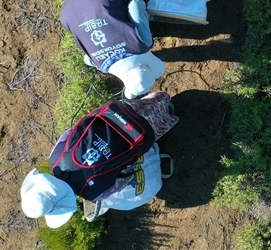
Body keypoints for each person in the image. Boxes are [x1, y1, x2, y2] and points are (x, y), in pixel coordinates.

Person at [21, 93, 178, 226]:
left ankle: (168, 115)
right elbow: (70, 132)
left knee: (156, 124)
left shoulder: (93, 193)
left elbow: (122, 182)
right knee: (149, 103)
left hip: (139, 134)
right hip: (114, 113)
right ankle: (162, 99)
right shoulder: (55, 160)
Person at [60, 0, 165, 99]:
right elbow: (87, 60)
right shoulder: (99, 64)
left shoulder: (142, 42)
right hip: (67, 12)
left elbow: (135, 2)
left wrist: (141, 1)